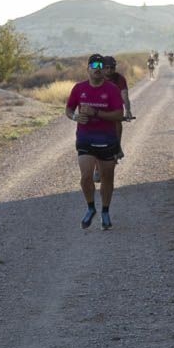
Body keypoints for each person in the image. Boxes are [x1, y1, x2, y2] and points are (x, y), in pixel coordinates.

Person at [66, 53, 125, 230]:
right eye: (94, 66)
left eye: (101, 67)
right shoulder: (78, 88)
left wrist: (96, 113)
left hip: (108, 139)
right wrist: (75, 116)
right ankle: (91, 208)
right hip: (85, 139)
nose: (98, 70)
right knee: (85, 177)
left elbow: (119, 115)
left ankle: (105, 211)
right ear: (88, 69)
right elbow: (68, 109)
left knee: (107, 178)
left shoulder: (112, 89)